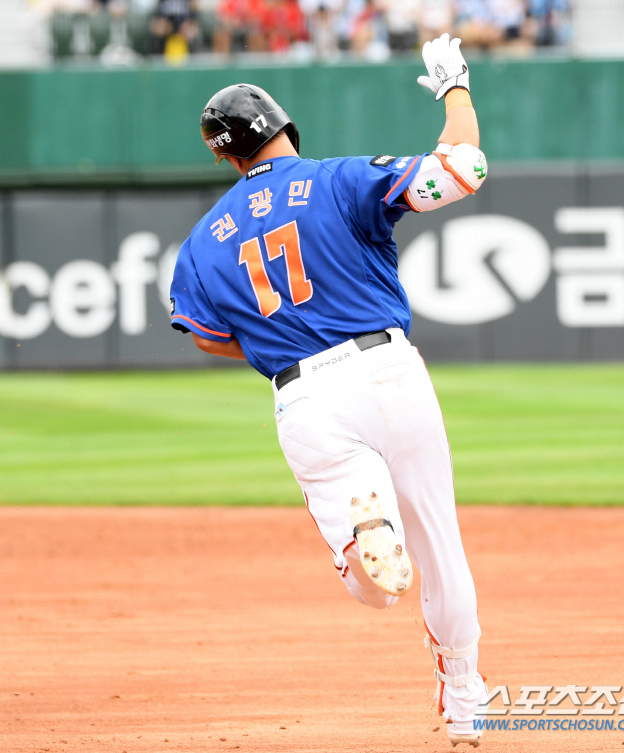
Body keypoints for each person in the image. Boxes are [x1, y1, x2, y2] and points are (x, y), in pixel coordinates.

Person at [170, 34, 489, 748]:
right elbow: (464, 169)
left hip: (305, 395)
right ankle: (466, 700)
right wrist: (454, 86)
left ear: (224, 154)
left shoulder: (203, 239)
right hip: (390, 370)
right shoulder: (342, 178)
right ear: (285, 126)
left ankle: (363, 532)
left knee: (374, 586)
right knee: (444, 549)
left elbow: (204, 333)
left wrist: (262, 337)